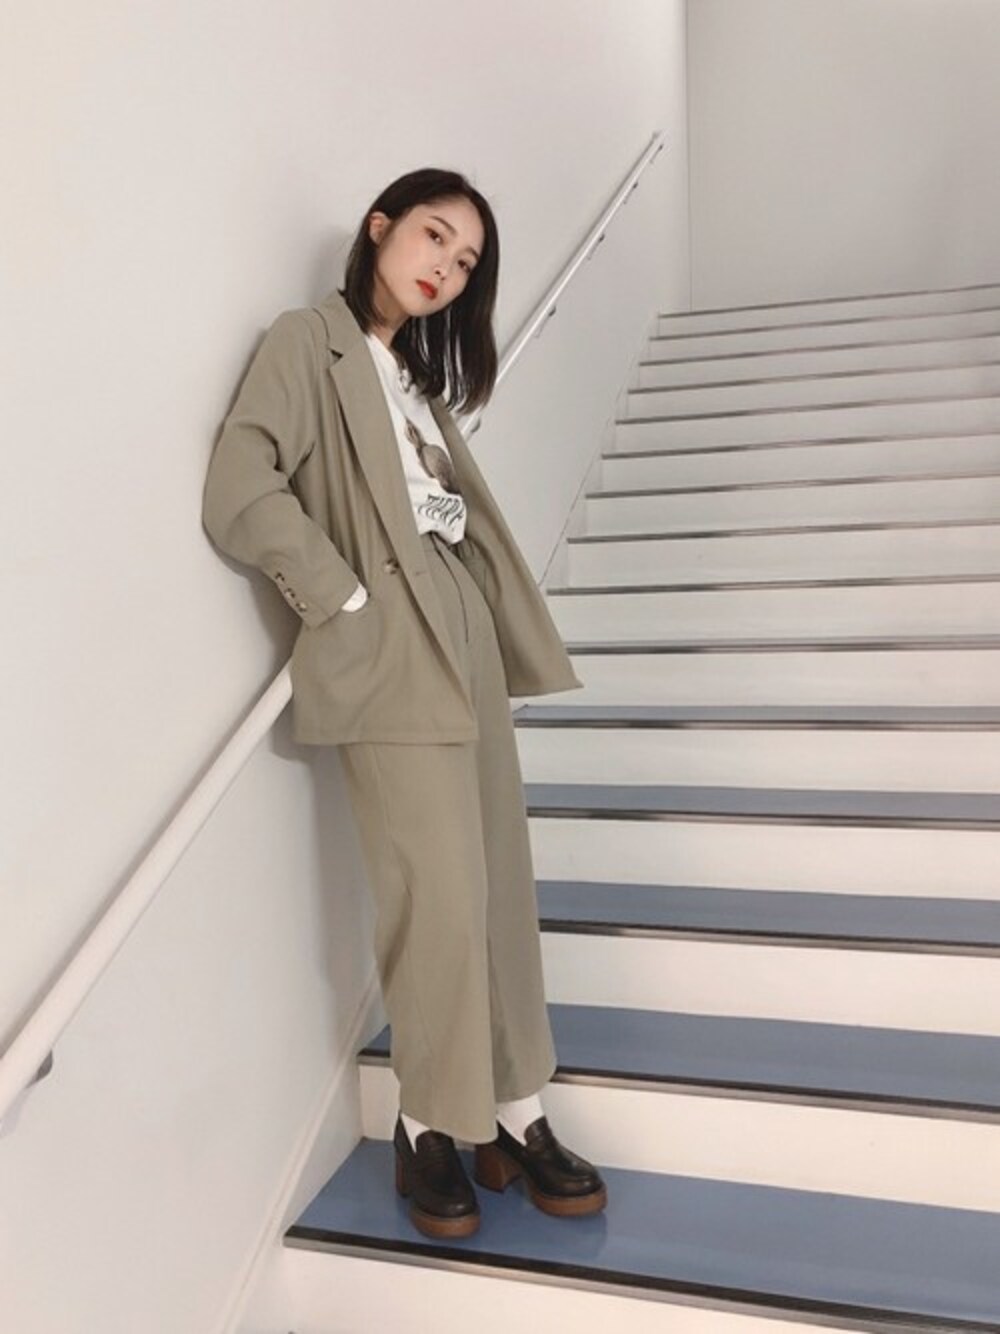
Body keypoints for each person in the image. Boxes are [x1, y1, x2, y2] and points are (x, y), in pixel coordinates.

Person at [202, 167, 607, 1239]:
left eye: (465, 262)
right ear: (379, 227)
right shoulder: (308, 342)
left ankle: (515, 1109)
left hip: (462, 623)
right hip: (388, 639)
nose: (446, 267)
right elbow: (240, 483)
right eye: (434, 236)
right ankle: (427, 1122)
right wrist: (340, 595)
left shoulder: (414, 382)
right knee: (434, 893)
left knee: (497, 881)